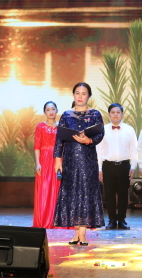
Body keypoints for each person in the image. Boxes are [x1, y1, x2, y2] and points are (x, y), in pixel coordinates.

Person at [53, 82, 105, 245]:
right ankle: (76, 233)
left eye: (83, 93)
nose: (80, 96)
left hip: (88, 159)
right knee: (72, 194)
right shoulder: (66, 115)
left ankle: (82, 233)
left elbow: (100, 134)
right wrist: (57, 159)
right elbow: (59, 139)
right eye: (77, 93)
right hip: (70, 159)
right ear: (73, 95)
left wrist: (88, 140)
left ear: (89, 96)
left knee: (85, 193)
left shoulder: (95, 114)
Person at [97, 103, 137, 230]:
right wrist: (99, 169)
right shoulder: (103, 130)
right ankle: (112, 220)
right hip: (108, 166)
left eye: (118, 112)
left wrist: (133, 166)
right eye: (113, 112)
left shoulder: (129, 130)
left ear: (122, 114)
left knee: (123, 194)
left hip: (124, 166)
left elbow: (134, 149)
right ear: (109, 114)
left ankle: (122, 220)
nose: (115, 114)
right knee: (109, 194)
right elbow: (99, 150)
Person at [33, 101, 60, 229]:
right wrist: (38, 163)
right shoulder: (40, 127)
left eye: (53, 109)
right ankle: (44, 220)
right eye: (48, 110)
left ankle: (56, 220)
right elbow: (37, 146)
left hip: (58, 160)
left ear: (56, 111)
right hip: (44, 160)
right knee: (44, 190)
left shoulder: (61, 127)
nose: (51, 112)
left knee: (57, 189)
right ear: (45, 112)